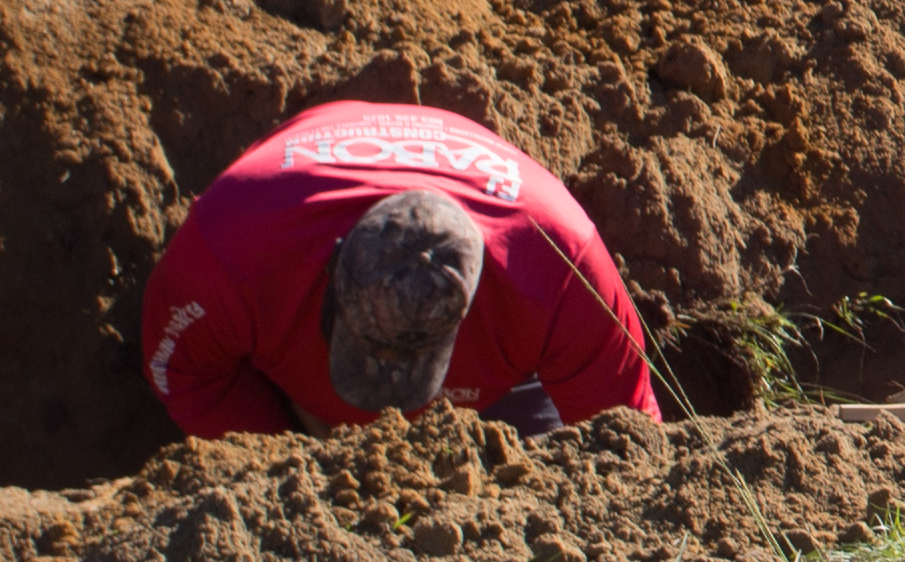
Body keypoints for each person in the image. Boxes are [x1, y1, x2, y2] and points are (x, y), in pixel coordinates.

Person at [140, 100, 661, 442]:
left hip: (494, 392)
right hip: (298, 393)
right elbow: (185, 373)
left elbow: (628, 439)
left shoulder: (558, 267)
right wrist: (276, 462)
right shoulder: (235, 246)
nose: (386, 416)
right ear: (333, 265)